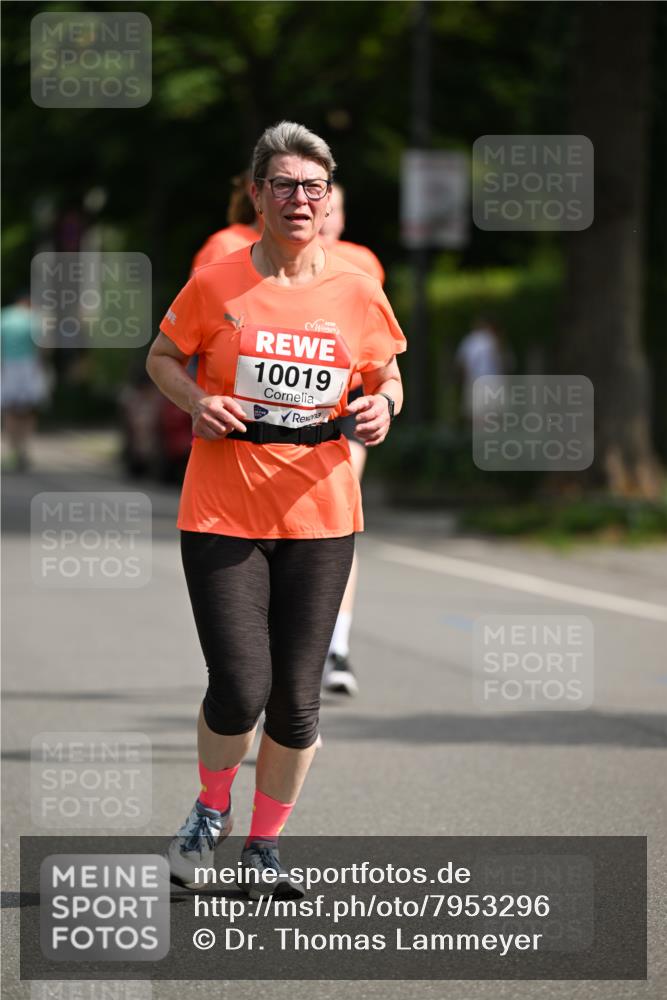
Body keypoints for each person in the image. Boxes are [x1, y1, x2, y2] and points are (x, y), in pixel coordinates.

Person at [146, 121, 406, 897]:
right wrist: (196, 399)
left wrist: (383, 407)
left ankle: (264, 846)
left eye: (314, 187)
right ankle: (208, 808)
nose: (301, 200)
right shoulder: (216, 283)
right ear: (256, 194)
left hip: (321, 515)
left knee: (296, 700)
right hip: (223, 510)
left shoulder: (358, 289)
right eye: (286, 185)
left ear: (329, 200)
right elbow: (161, 357)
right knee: (240, 684)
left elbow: (386, 375)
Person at [317, 184, 385, 695]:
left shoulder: (361, 262)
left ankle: (336, 647)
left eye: (336, 207)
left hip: (347, 404)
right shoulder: (268, 262)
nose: (325, 216)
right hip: (282, 411)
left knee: (339, 511)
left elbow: (371, 337)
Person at [1, 293, 50, 471]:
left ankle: (13, 448)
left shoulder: (4, 317)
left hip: (8, 366)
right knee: (29, 410)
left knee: (10, 409)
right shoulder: (34, 318)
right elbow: (43, 345)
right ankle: (24, 447)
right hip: (29, 366)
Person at [191, 170, 263, 272]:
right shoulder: (224, 246)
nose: (293, 197)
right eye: (282, 185)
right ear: (254, 192)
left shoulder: (290, 252)